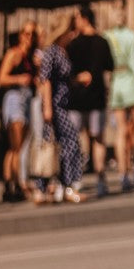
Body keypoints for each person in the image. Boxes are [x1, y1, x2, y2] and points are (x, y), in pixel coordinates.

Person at [36, 18, 86, 203]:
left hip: (62, 103)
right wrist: (48, 107)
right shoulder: (52, 52)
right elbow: (45, 79)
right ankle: (63, 184)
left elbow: (65, 78)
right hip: (55, 106)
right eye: (70, 30)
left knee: (56, 144)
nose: (73, 34)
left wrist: (78, 79)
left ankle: (55, 186)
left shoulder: (63, 52)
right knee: (67, 142)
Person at [67, 5, 114, 197]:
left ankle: (76, 179)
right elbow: (110, 65)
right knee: (98, 139)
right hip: (95, 98)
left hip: (78, 99)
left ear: (84, 19)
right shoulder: (102, 42)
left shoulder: (73, 44)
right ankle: (101, 178)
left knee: (75, 139)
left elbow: (66, 71)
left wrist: (79, 78)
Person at [104, 1, 134, 191]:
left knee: (121, 130)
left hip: (116, 83)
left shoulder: (107, 36)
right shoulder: (131, 37)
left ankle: (123, 172)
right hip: (130, 82)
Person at [0, 21, 37, 201]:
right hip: (15, 100)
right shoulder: (13, 54)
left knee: (19, 146)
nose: (30, 38)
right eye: (27, 34)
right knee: (15, 146)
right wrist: (19, 78)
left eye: (33, 34)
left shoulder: (31, 56)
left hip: (27, 99)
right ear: (20, 35)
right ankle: (10, 183)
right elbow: (1, 78)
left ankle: (14, 182)